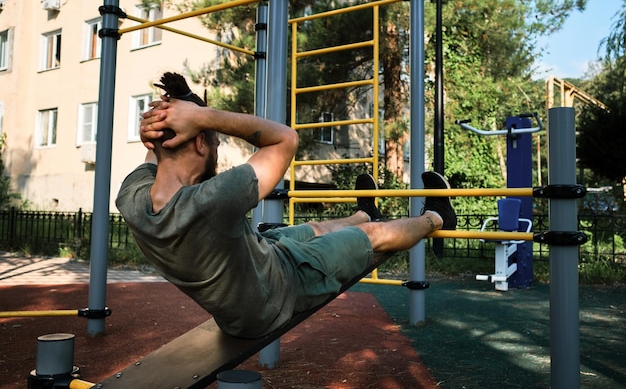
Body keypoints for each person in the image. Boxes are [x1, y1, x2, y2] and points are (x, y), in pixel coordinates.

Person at [116, 72, 456, 339]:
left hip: (251, 277)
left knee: (316, 229)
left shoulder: (132, 196)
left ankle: (364, 211)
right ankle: (436, 217)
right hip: (276, 296)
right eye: (215, 140)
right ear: (202, 143)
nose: (217, 146)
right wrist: (205, 116)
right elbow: (285, 139)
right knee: (373, 235)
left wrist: (173, 111)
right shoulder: (211, 201)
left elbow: (159, 150)